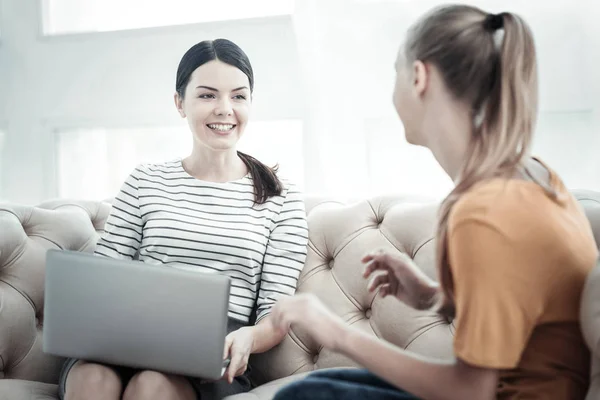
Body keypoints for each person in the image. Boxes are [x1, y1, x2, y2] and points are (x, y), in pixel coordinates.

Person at [269, 5, 599, 400]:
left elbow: (471, 390)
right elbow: (523, 310)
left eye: (396, 73)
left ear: (418, 77)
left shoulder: (483, 212)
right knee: (320, 386)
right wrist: (430, 296)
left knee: (304, 396)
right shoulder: (533, 175)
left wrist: (337, 332)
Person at [59, 38, 309, 400]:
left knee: (151, 386)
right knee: (92, 380)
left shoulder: (280, 196)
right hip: (127, 334)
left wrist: (249, 337)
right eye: (208, 95)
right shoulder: (145, 180)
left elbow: (276, 308)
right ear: (180, 103)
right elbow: (105, 275)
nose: (225, 109)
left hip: (210, 352)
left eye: (238, 96)